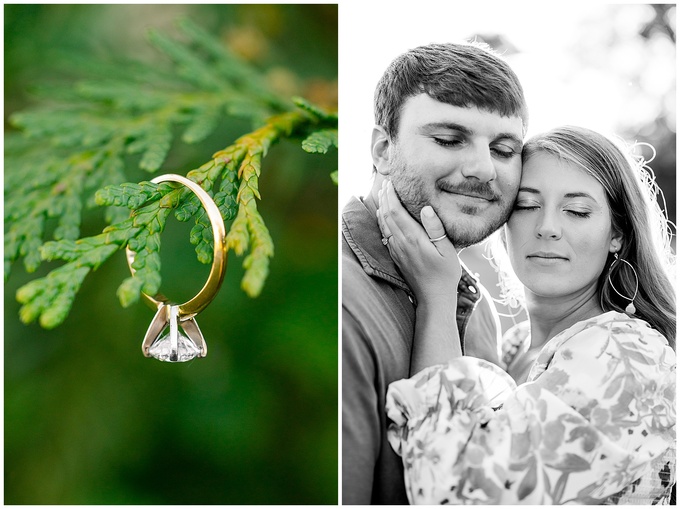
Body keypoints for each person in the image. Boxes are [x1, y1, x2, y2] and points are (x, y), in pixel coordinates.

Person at [378, 125, 676, 504]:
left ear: (616, 233)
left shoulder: (628, 354)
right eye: (527, 205)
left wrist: (436, 295)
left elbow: (460, 493)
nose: (547, 228)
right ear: (503, 222)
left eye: (577, 211)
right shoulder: (517, 345)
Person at [342, 41, 528, 504]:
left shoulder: (473, 303)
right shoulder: (338, 303)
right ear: (383, 149)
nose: (484, 169)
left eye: (504, 149)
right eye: (449, 140)